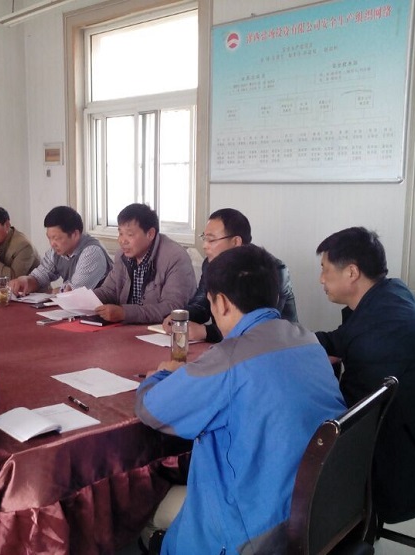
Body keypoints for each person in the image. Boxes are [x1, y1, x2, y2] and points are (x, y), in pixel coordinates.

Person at [135, 245, 345, 554]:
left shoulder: (228, 359)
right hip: (321, 509)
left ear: (221, 303)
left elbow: (151, 408)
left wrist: (162, 374)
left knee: (143, 506)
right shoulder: (307, 340)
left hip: (255, 531)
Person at [315, 227, 415, 524]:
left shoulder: (381, 333)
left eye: (325, 269)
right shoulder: (389, 294)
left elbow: (347, 414)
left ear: (352, 272)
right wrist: (289, 341)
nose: (321, 279)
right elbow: (339, 340)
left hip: (402, 464)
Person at [162, 208, 297, 342]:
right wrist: (180, 317)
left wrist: (205, 332)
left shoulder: (271, 270)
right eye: (204, 238)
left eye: (211, 240)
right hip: (229, 345)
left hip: (279, 345)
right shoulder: (210, 265)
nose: (204, 245)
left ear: (236, 242)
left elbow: (259, 325)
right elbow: (201, 305)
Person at [93, 203, 196, 324]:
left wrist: (125, 313)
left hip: (160, 329)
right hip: (125, 327)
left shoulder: (175, 257)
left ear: (150, 234)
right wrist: (83, 299)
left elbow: (172, 307)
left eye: (130, 235)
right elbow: (109, 291)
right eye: (120, 233)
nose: (122, 241)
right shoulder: (122, 255)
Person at [9, 206, 112, 295]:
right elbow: (40, 276)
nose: (52, 244)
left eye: (56, 238)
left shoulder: (92, 252)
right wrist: (26, 281)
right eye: (49, 238)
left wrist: (55, 291)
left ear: (75, 234)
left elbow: (75, 291)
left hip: (102, 308)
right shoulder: (56, 251)